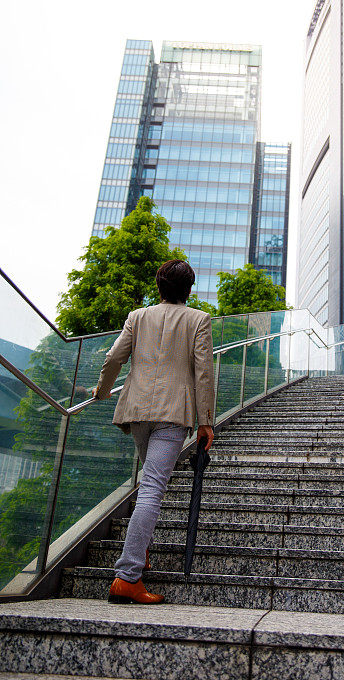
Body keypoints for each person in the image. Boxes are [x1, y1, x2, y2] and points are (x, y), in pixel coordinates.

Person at [94, 259, 215, 605]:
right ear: (189, 290)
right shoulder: (198, 320)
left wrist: (102, 392)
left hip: (137, 411)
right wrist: (206, 421)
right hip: (172, 413)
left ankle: (140, 553)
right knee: (152, 489)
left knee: (148, 481)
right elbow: (203, 372)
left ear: (159, 287)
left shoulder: (137, 316)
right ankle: (127, 576)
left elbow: (114, 357)